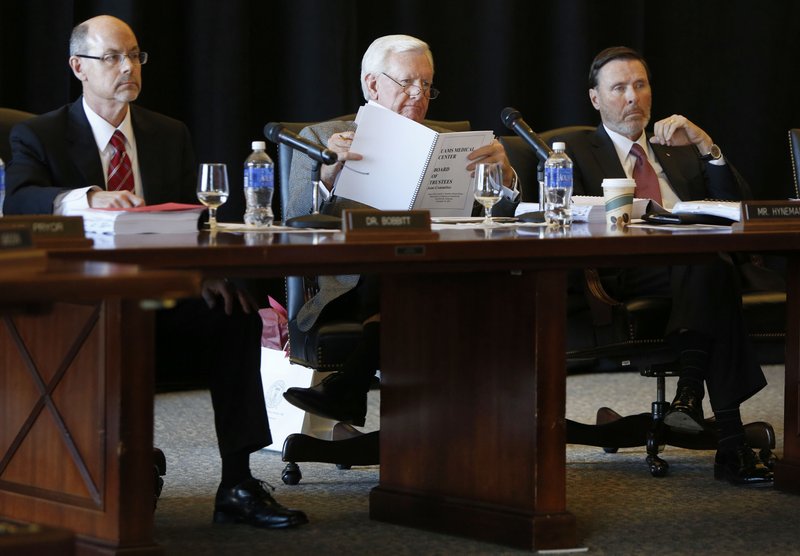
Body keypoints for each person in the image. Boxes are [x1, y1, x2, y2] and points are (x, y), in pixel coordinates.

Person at [4, 15, 308, 527]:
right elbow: (18, 202)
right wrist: (90, 198)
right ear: (78, 67)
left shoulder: (167, 133)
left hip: (159, 293)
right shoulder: (40, 134)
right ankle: (115, 468)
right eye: (113, 57)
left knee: (236, 317)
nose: (128, 68)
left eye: (135, 56)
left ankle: (237, 482)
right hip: (79, 302)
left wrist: (207, 273)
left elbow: (190, 216)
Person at [556, 46, 772, 485]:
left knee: (708, 264)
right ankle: (723, 433)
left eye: (640, 85)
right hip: (627, 269)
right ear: (595, 99)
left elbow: (740, 204)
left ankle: (696, 403)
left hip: (699, 265)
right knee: (710, 267)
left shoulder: (676, 145)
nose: (633, 97)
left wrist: (708, 148)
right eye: (619, 88)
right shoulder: (575, 150)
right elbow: (567, 217)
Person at [282, 34, 517, 427]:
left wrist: (503, 176)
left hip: (441, 273)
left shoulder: (451, 143)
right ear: (372, 84)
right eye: (407, 82)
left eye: (426, 85)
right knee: (395, 262)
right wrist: (327, 174)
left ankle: (349, 388)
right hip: (350, 285)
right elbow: (294, 224)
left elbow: (496, 220)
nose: (418, 93)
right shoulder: (322, 139)